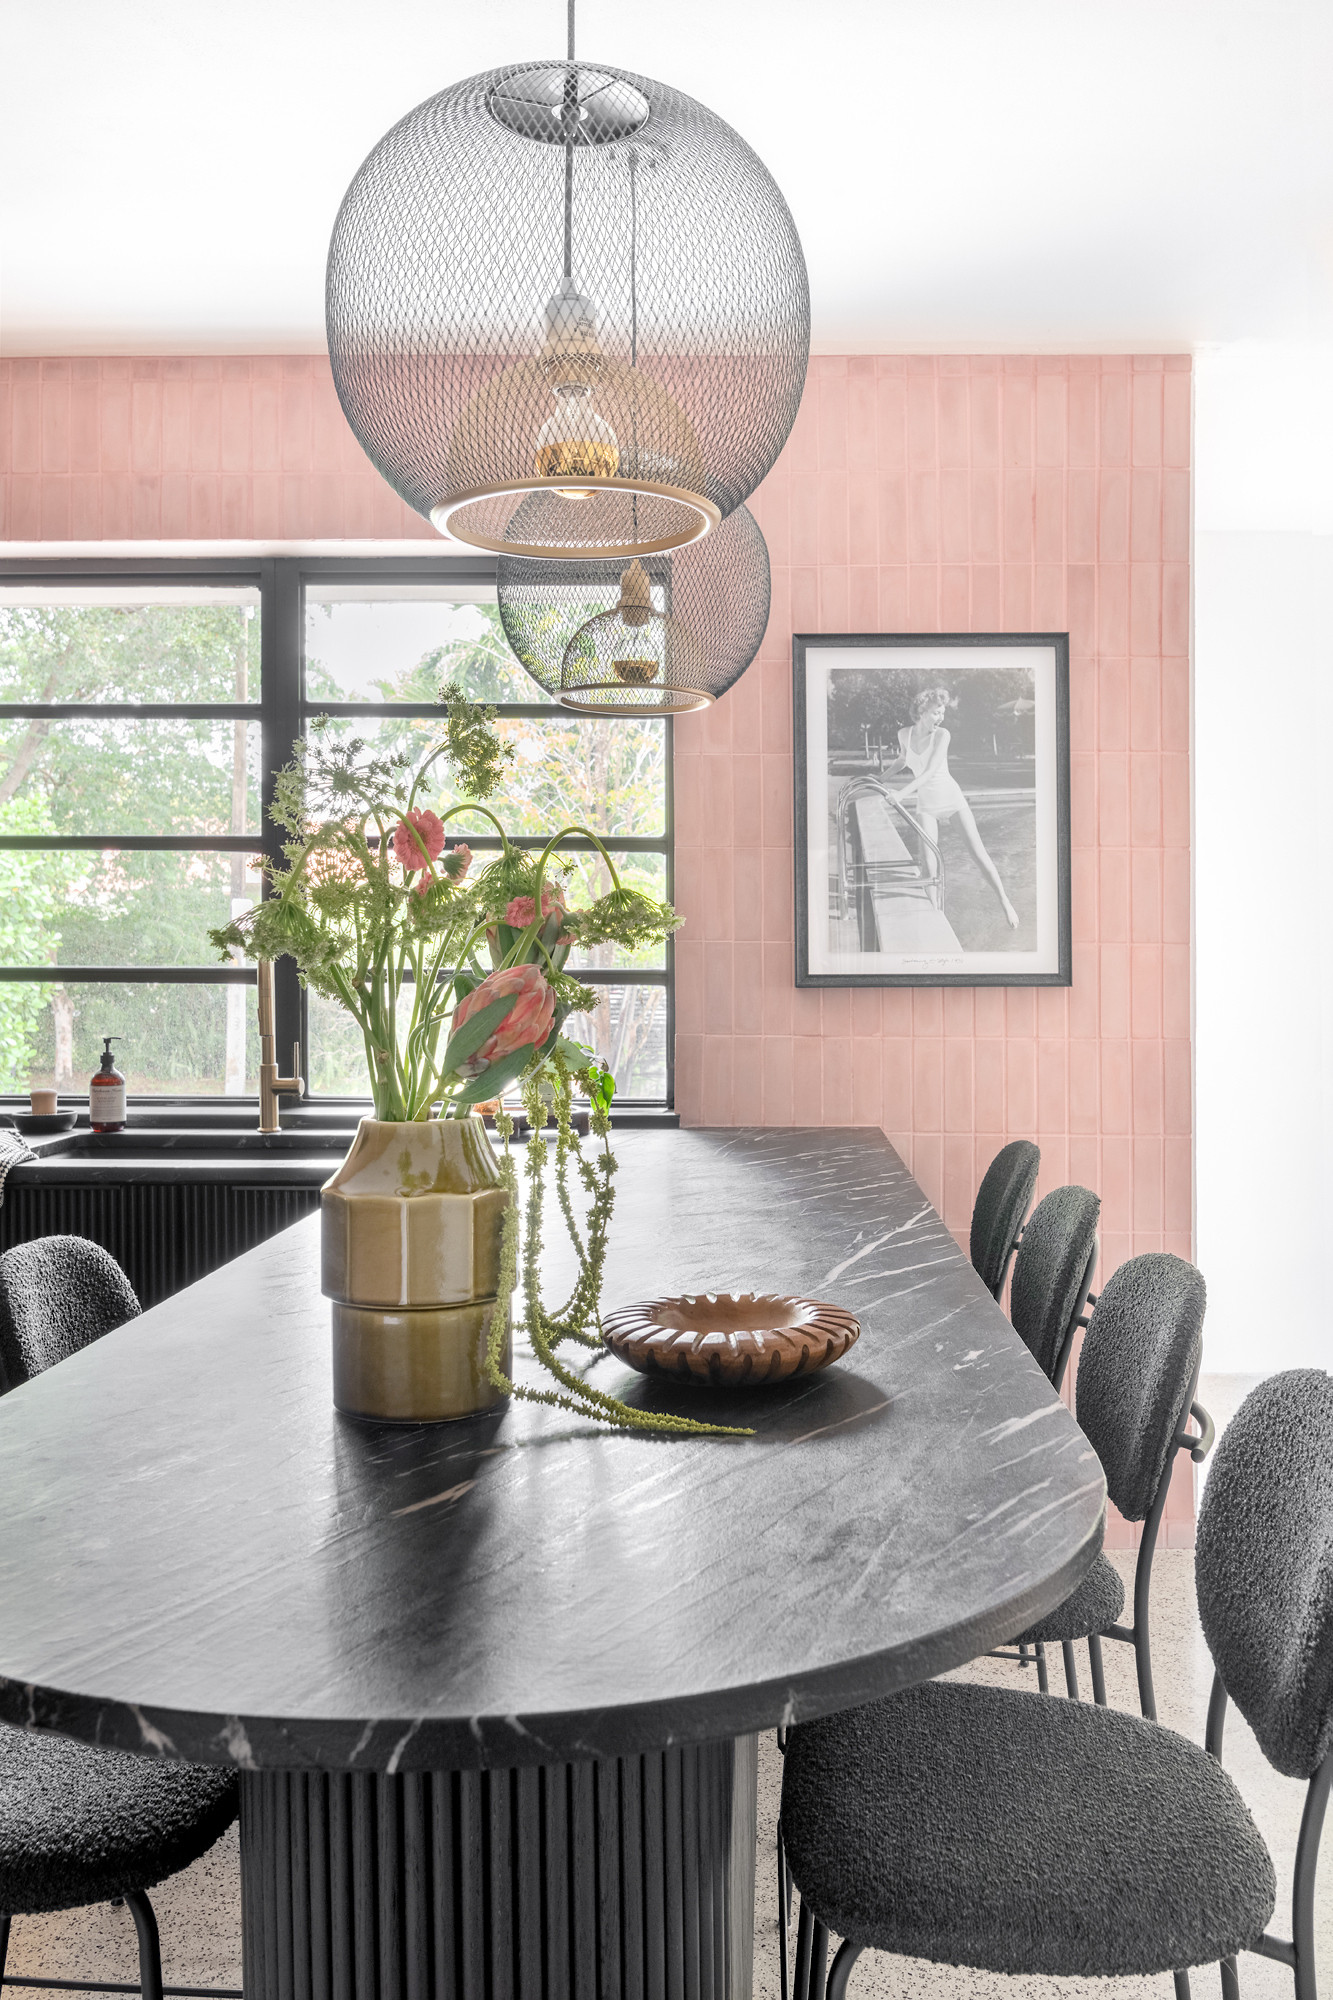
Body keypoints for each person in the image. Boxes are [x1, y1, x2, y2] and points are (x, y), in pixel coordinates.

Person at [885, 687, 1020, 929]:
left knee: (978, 854)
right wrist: (881, 777)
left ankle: (1004, 900)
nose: (941, 717)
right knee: (928, 861)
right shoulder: (904, 734)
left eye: (942, 713)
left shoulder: (942, 735)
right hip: (926, 804)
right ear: (922, 711)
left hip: (951, 799)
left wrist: (902, 793)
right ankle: (936, 911)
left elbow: (929, 772)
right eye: (936, 712)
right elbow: (903, 759)